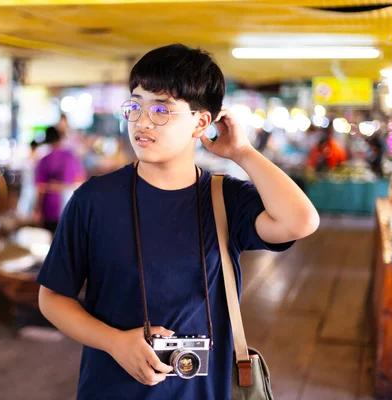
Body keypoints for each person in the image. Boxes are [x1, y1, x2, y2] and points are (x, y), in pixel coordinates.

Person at [36, 44, 319, 399]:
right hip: (111, 388)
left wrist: (243, 152)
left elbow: (301, 221)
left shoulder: (225, 199)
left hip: (202, 390)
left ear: (201, 122)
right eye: (135, 105)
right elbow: (52, 297)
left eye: (161, 109)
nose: (142, 121)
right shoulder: (95, 199)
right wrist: (115, 343)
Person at [34, 126, 86, 233]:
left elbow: (41, 187)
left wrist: (37, 208)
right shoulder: (71, 157)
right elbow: (80, 181)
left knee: (51, 242)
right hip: (71, 207)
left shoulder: (44, 160)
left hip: (49, 209)